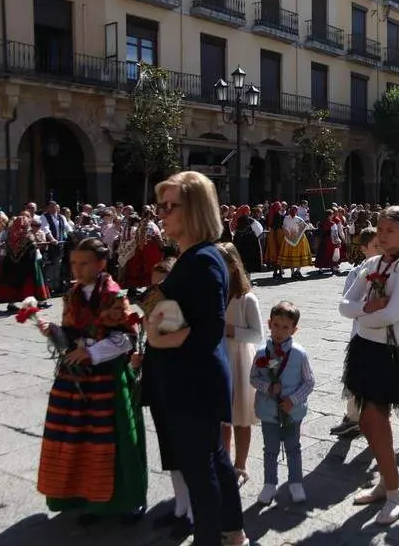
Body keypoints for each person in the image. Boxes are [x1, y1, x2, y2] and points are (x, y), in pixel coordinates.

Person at [143, 171, 248, 546]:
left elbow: (208, 331)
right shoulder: (193, 256)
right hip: (194, 380)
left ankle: (211, 539)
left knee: (199, 470)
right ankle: (233, 533)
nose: (162, 214)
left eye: (170, 206)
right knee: (214, 459)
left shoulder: (202, 260)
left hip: (192, 382)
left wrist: (156, 338)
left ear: (195, 209)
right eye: (161, 206)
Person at [36, 238, 147, 525]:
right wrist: (55, 333)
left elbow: (125, 339)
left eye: (84, 263)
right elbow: (72, 333)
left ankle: (125, 501)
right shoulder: (71, 294)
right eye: (74, 262)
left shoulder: (113, 296)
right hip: (76, 377)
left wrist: (91, 353)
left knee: (117, 439)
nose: (77, 268)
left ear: (101, 264)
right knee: (77, 437)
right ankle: (87, 500)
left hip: (106, 376)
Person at [339, 205, 399, 525]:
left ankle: (395, 492)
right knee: (369, 422)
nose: (383, 235)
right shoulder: (370, 263)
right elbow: (344, 305)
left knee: (376, 418)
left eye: (390, 230)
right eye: (380, 229)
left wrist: (362, 313)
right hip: (364, 349)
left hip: (390, 352)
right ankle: (385, 482)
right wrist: (366, 307)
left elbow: (394, 313)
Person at [137, 257, 193, 538]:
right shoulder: (153, 308)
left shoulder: (178, 310)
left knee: (185, 449)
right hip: (158, 381)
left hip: (179, 383)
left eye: (162, 282)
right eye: (154, 282)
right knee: (168, 450)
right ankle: (179, 507)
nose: (155, 288)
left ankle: (193, 512)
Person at [250, 301, 315, 505]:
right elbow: (253, 377)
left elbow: (309, 381)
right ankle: (269, 484)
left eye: (285, 327)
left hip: (292, 412)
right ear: (269, 324)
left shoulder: (299, 353)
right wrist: (267, 388)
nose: (279, 331)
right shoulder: (261, 353)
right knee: (270, 449)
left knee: (293, 447)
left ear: (294, 329)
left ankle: (296, 482)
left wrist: (293, 400)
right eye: (276, 325)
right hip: (269, 411)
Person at [217, 242, 263, 485]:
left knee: (241, 416)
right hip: (219, 357)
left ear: (233, 267)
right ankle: (223, 460)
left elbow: (258, 335)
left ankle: (240, 464)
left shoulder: (246, 299)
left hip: (239, 359)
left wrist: (230, 330)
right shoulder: (214, 295)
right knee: (223, 416)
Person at [330, 226, 381, 438]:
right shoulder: (355, 273)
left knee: (377, 381)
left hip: (381, 337)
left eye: (382, 245)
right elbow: (347, 303)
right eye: (375, 246)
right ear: (363, 249)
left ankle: (376, 419)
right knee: (354, 376)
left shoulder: (392, 272)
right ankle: (351, 417)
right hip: (359, 334)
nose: (380, 249)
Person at [0, 215, 51, 311]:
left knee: (13, 283)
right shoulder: (28, 237)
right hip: (27, 265)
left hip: (12, 265)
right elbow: (31, 250)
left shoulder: (9, 237)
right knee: (28, 284)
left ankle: (11, 303)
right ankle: (32, 303)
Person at [277, 205, 311, 280]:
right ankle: (298, 271)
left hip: (288, 240)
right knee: (300, 255)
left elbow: (284, 227)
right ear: (296, 211)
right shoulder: (299, 219)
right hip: (299, 240)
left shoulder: (286, 218)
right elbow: (305, 227)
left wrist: (289, 233)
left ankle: (293, 272)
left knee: (291, 256)